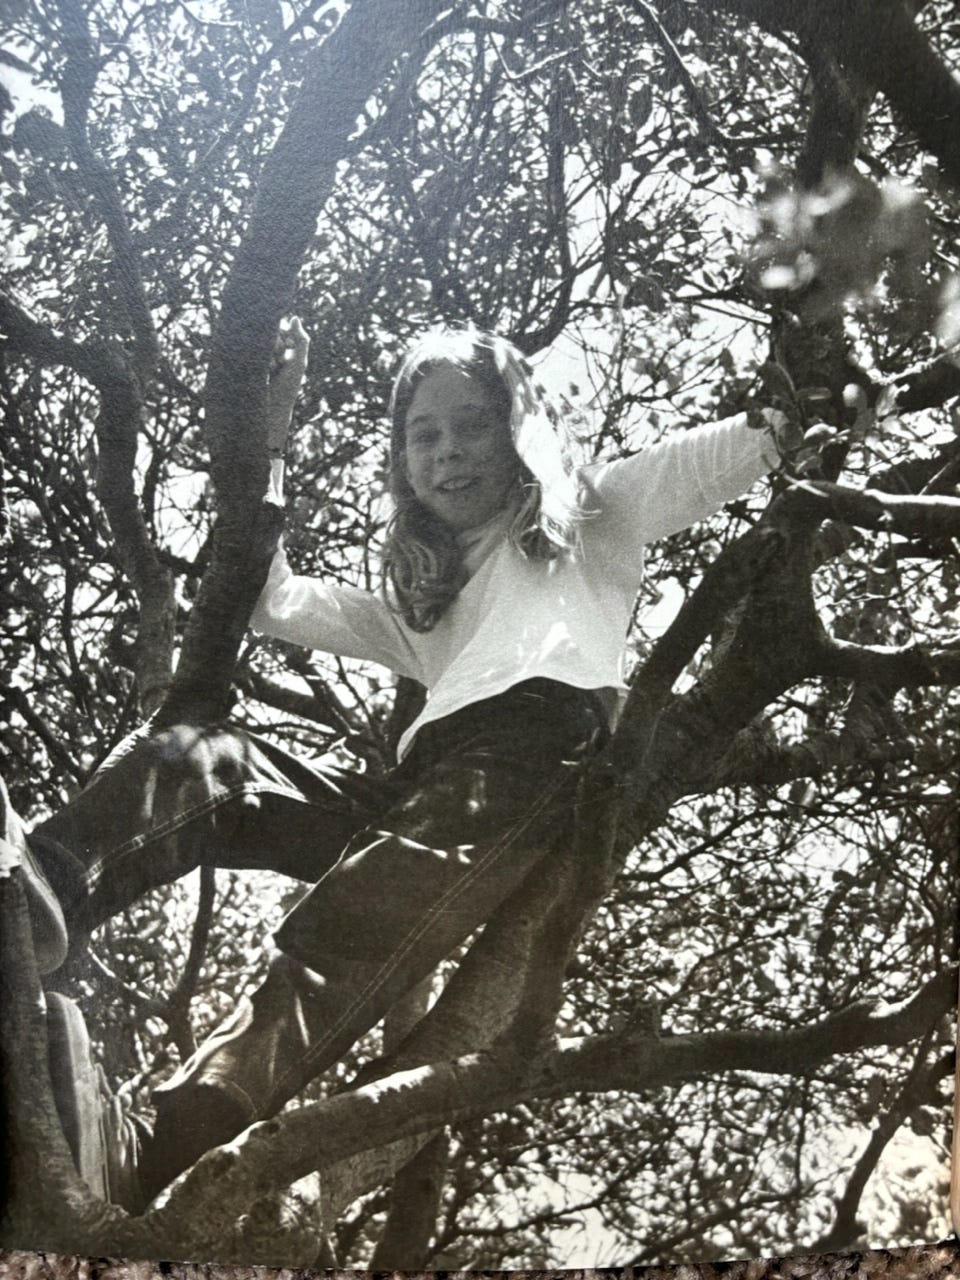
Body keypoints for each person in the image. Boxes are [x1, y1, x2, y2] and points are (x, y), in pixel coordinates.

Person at [31, 321, 790, 1208]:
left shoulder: (596, 516)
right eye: (423, 435)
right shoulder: (426, 607)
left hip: (533, 755)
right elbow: (272, 599)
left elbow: (742, 450)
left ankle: (161, 1145)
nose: (449, 451)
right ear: (401, 461)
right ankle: (46, 882)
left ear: (521, 431)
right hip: (425, 782)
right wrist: (265, 443)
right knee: (210, 761)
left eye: (472, 424)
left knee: (336, 938)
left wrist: (813, 396)